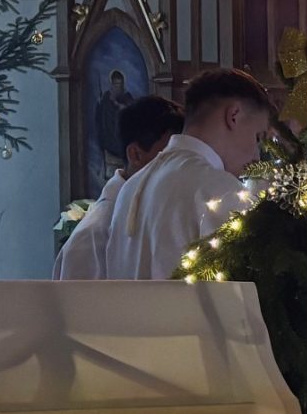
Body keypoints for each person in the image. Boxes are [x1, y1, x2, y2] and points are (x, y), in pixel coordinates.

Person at [100, 67, 275, 279]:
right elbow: (246, 286)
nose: (256, 155)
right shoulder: (218, 189)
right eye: (257, 137)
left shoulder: (130, 187)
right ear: (234, 116)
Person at [55, 95, 182, 280]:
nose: (182, 167)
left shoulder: (161, 212)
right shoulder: (93, 235)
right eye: (171, 156)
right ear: (135, 154)